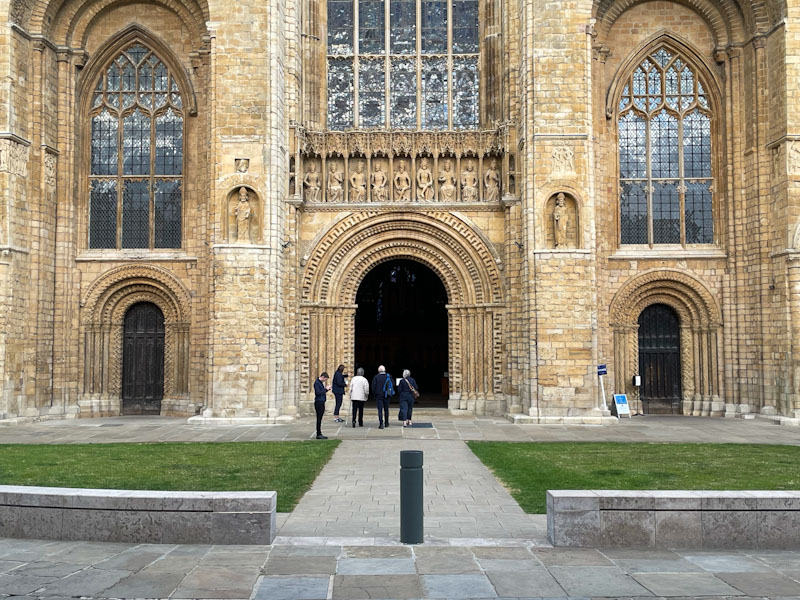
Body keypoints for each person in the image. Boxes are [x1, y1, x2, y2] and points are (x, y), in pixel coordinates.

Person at [371, 365, 393, 429]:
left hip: (379, 395)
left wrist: (375, 394)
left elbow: (373, 387)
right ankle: (386, 422)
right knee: (386, 409)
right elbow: (393, 384)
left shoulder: (376, 377)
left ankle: (381, 423)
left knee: (380, 410)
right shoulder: (388, 376)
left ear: (378, 371)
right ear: (384, 370)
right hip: (387, 395)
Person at [313, 372, 330, 439]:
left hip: (321, 402)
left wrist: (326, 389)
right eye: (325, 379)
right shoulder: (317, 383)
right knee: (319, 418)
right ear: (322, 377)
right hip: (319, 402)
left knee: (320, 418)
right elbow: (318, 393)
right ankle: (318, 434)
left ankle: (319, 433)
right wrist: (326, 389)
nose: (325, 381)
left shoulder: (320, 383)